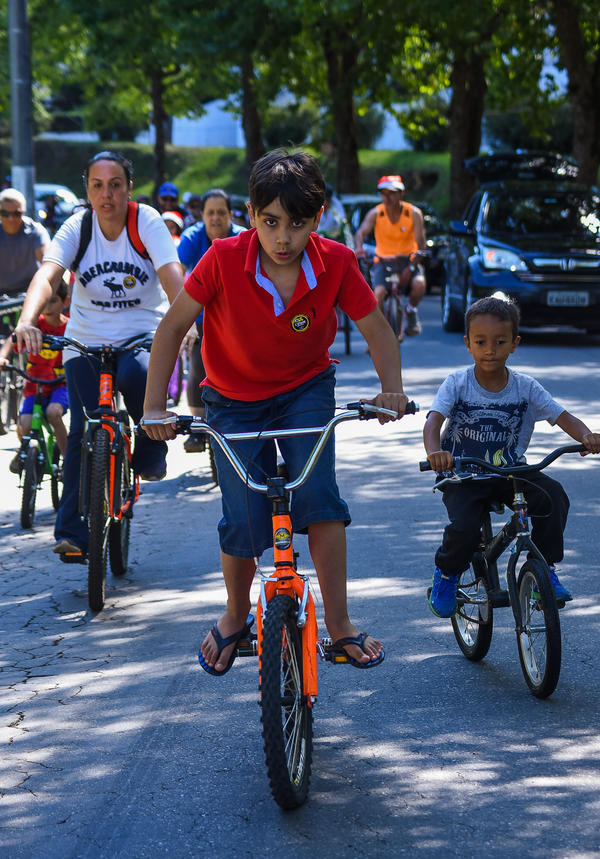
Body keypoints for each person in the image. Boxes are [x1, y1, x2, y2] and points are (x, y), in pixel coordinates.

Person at [142, 148, 409, 673]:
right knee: (242, 514)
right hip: (232, 400)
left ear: (319, 216)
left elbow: (377, 330)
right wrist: (155, 407)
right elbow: (172, 328)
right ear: (250, 215)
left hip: (305, 390)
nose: (283, 238)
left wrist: (391, 390)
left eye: (297, 224)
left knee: (320, 499)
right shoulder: (221, 259)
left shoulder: (336, 261)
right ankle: (235, 613)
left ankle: (340, 625)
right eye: (270, 222)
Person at [13, 150, 184, 562]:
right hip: (85, 341)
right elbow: (48, 274)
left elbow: (171, 275)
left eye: (115, 185)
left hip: (140, 334)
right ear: (87, 190)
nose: (106, 194)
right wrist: (27, 320)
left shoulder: (146, 222)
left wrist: (186, 320)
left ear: (129, 189)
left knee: (140, 375)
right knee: (82, 430)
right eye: (97, 186)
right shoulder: (78, 226)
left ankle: (150, 446)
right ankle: (73, 534)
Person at [423, 294, 600, 617]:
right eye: (481, 341)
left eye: (500, 341)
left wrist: (586, 436)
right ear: (468, 344)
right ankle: (446, 573)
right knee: (464, 528)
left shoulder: (525, 387)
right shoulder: (458, 383)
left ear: (514, 344)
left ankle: (544, 568)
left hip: (509, 471)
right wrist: (436, 452)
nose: (490, 349)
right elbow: (433, 422)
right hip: (463, 473)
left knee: (552, 496)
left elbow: (562, 416)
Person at [177, 188, 246, 452]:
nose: (215, 218)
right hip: (201, 316)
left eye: (221, 212)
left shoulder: (243, 237)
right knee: (198, 364)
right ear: (202, 215)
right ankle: (197, 429)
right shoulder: (191, 238)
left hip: (237, 317)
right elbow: (177, 275)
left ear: (230, 214)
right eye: (210, 213)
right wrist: (183, 322)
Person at [0, 281, 69, 473]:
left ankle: (68, 461)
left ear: (65, 302)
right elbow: (13, 339)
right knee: (24, 425)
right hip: (35, 385)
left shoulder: (69, 327)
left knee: (54, 413)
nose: (48, 307)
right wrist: (3, 356)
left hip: (60, 384)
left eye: (53, 301)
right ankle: (26, 451)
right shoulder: (33, 326)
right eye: (44, 302)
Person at [354, 175, 426, 337]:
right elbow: (360, 233)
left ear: (401, 194)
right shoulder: (376, 213)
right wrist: (359, 247)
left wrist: (411, 267)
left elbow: (421, 244)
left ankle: (411, 310)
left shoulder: (413, 213)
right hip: (383, 261)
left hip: (408, 260)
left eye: (391, 193)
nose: (387, 198)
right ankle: (381, 330)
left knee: (419, 284)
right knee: (378, 293)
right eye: (383, 193)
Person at [0, 188, 50, 296]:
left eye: (16, 213)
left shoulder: (35, 231)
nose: (10, 218)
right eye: (5, 213)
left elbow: (48, 264)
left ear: (23, 212)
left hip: (30, 293)